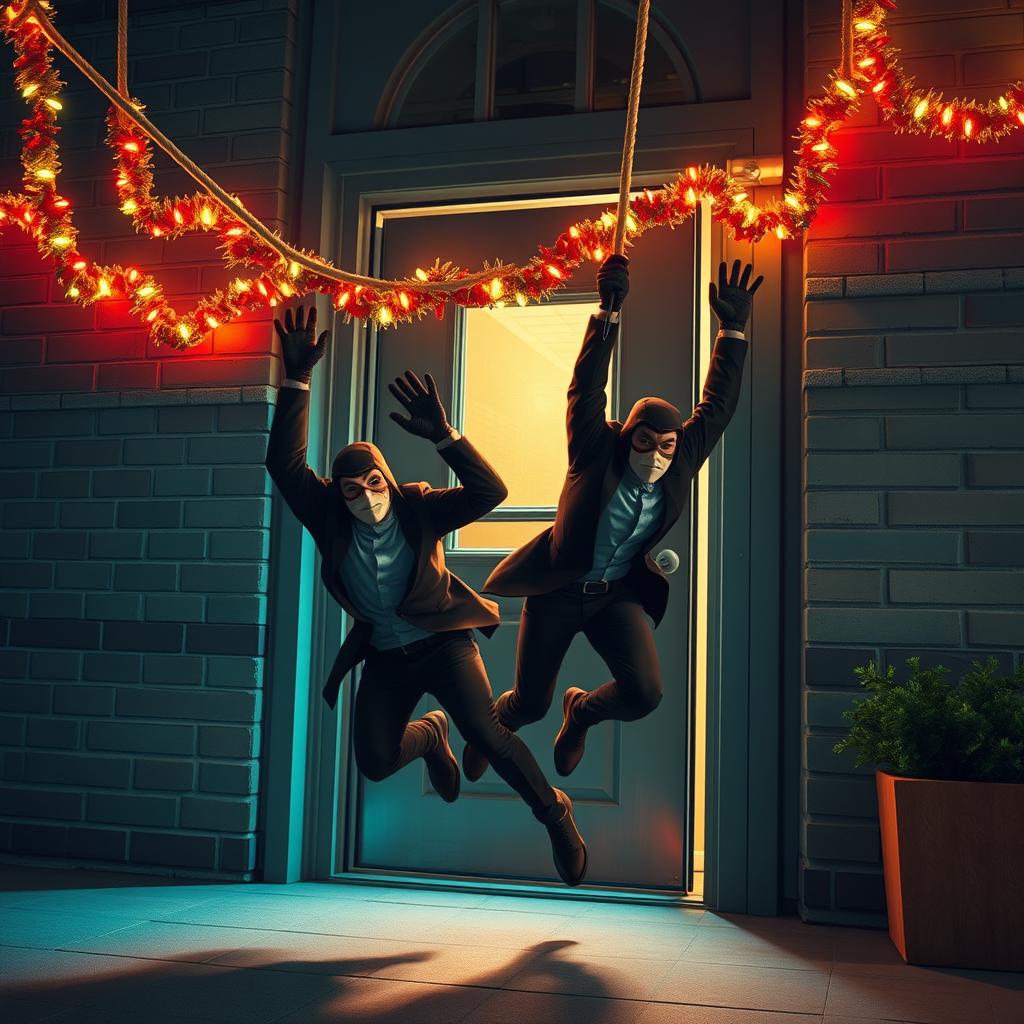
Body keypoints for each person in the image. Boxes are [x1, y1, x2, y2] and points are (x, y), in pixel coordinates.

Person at [265, 305, 588, 885]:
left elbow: (491, 491)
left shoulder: (417, 506)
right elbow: (284, 464)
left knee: (488, 733)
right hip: (387, 656)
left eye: (374, 483)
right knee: (376, 760)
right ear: (337, 495)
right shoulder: (329, 518)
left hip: (442, 644)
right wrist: (296, 379)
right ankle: (431, 736)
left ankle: (554, 814)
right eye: (352, 489)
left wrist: (445, 434)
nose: (366, 496)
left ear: (387, 479)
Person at [464, 256, 762, 779]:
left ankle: (580, 714)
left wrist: (732, 330)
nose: (657, 455)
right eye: (645, 444)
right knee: (530, 704)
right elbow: (585, 387)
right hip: (557, 591)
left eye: (666, 447)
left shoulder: (681, 460)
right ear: (628, 438)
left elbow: (717, 407)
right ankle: (492, 726)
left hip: (614, 597)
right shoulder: (596, 450)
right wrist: (608, 312)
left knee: (644, 692)